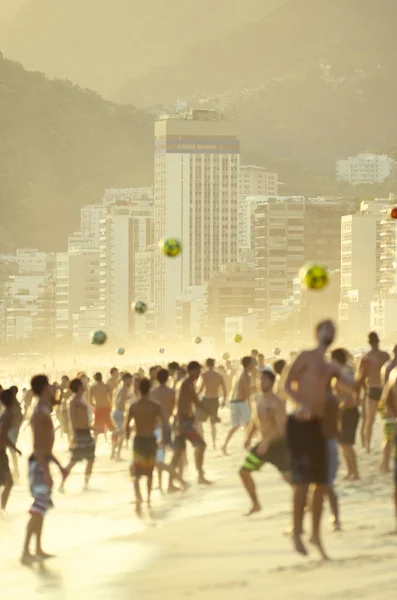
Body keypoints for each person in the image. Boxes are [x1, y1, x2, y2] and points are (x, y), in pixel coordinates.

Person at [284, 319, 358, 559]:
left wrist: (353, 373)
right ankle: (297, 531)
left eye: (333, 329)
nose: (330, 332)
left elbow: (353, 387)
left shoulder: (331, 367)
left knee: (321, 483)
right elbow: (287, 384)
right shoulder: (306, 356)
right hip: (299, 424)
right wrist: (301, 402)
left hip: (318, 426)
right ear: (316, 332)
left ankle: (315, 533)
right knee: (301, 482)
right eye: (326, 328)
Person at [21, 375, 65, 565]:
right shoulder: (39, 412)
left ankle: (37, 548)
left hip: (42, 462)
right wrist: (47, 471)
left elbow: (46, 447)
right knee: (37, 509)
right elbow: (39, 446)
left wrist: (59, 466)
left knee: (41, 509)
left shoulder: (44, 409)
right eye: (49, 385)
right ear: (44, 388)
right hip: (39, 465)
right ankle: (25, 552)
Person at [239, 368, 290, 516]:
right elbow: (255, 421)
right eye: (259, 379)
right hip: (263, 445)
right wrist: (248, 437)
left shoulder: (277, 402)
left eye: (265, 380)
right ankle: (255, 504)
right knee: (244, 472)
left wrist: (267, 441)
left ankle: (308, 503)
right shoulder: (257, 399)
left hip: (279, 445)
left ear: (272, 382)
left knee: (289, 478)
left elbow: (282, 428)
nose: (261, 382)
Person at [126, 378, 166, 515]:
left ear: (138, 389)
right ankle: (148, 499)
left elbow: (126, 426)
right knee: (149, 472)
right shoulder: (155, 405)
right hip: (151, 440)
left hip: (139, 440)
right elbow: (164, 423)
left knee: (136, 472)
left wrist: (126, 440)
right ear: (149, 389)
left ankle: (138, 497)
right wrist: (163, 439)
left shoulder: (134, 405)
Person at [169, 361, 211, 487]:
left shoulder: (185, 383)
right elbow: (195, 402)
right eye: (198, 371)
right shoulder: (187, 384)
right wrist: (211, 413)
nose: (199, 374)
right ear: (192, 371)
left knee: (177, 453)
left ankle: (170, 484)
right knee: (201, 445)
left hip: (180, 421)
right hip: (183, 422)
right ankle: (200, 476)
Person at [60, 378, 96, 492]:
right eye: (82, 384)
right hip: (80, 434)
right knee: (74, 461)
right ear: (79, 387)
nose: (85, 385)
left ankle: (86, 484)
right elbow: (73, 419)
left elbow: (85, 417)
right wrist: (74, 436)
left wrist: (91, 427)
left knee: (91, 459)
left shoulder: (82, 399)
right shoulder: (73, 401)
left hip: (87, 432)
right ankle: (61, 484)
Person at [358, 332, 389, 453]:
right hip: (383, 390)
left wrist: (360, 394)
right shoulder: (385, 355)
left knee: (369, 422)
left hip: (371, 390)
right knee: (388, 420)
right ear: (378, 341)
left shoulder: (366, 358)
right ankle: (387, 444)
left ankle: (367, 447)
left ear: (369, 342)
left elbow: (360, 378)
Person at [332, 349, 360, 481]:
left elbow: (348, 396)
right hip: (348, 411)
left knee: (347, 444)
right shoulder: (346, 372)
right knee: (344, 444)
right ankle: (351, 472)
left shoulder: (342, 374)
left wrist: (340, 409)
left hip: (348, 412)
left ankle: (354, 473)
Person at [222, 356, 254, 456]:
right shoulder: (245, 375)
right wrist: (251, 405)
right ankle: (247, 446)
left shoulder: (239, 373)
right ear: (249, 364)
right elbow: (246, 392)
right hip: (240, 402)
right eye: (253, 362)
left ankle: (225, 445)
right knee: (249, 425)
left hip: (234, 401)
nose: (254, 364)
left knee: (238, 425)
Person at [0, 389, 22, 513]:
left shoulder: (6, 413)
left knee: (6, 482)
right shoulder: (8, 414)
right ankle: (2, 510)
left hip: (2, 451)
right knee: (9, 482)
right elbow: (3, 434)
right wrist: (15, 448)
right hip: (0, 452)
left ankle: (2, 509)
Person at [197, 358, 227, 449]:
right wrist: (224, 401)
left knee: (199, 421)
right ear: (214, 364)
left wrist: (194, 397)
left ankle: (202, 440)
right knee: (212, 423)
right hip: (215, 399)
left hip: (206, 399)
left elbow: (201, 388)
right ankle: (213, 443)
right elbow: (225, 390)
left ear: (206, 365)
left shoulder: (204, 375)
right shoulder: (219, 376)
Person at [380, 346, 397, 473]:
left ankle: (384, 465)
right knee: (389, 439)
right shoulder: (393, 371)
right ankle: (384, 465)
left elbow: (385, 390)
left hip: (389, 408)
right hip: (391, 410)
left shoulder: (389, 368)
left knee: (389, 439)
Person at [111, 372, 133, 460]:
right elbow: (120, 403)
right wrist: (126, 410)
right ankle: (117, 455)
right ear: (125, 380)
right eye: (130, 380)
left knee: (117, 433)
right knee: (121, 434)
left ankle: (113, 453)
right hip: (119, 413)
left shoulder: (121, 388)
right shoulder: (124, 389)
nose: (131, 382)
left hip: (116, 412)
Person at [90, 372, 114, 442]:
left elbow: (90, 401)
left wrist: (96, 405)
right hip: (106, 407)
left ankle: (94, 445)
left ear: (94, 379)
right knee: (111, 427)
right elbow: (111, 397)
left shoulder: (92, 388)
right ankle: (114, 443)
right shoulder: (106, 386)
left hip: (98, 408)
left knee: (96, 430)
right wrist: (110, 404)